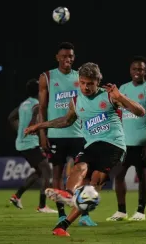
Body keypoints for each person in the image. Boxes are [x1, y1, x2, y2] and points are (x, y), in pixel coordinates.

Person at [24, 62, 146, 236]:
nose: (86, 87)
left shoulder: (110, 96)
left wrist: (121, 97)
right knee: (80, 170)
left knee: (93, 184)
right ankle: (65, 207)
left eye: (90, 83)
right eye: (82, 83)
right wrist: (40, 126)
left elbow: (140, 111)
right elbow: (66, 121)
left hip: (114, 145)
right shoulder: (76, 101)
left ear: (98, 81)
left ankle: (66, 215)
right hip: (92, 145)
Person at [38, 42, 89, 224]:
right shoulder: (47, 77)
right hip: (56, 134)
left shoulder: (81, 77)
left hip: (78, 134)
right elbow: (42, 108)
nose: (68, 59)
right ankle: (61, 214)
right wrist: (43, 134)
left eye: (71, 56)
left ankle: (83, 215)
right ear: (57, 57)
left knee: (83, 173)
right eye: (64, 56)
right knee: (57, 174)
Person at [106, 56, 146, 222]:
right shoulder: (123, 89)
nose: (138, 72)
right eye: (135, 69)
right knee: (119, 175)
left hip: (142, 144)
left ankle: (140, 211)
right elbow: (118, 113)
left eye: (141, 69)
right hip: (123, 143)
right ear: (130, 71)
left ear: (145, 71)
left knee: (142, 175)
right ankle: (121, 211)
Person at [7, 79, 56, 213]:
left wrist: (20, 131)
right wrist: (42, 141)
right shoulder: (36, 105)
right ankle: (42, 206)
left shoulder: (24, 104)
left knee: (39, 172)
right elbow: (37, 124)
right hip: (30, 144)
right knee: (47, 171)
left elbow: (11, 117)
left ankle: (17, 196)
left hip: (21, 143)